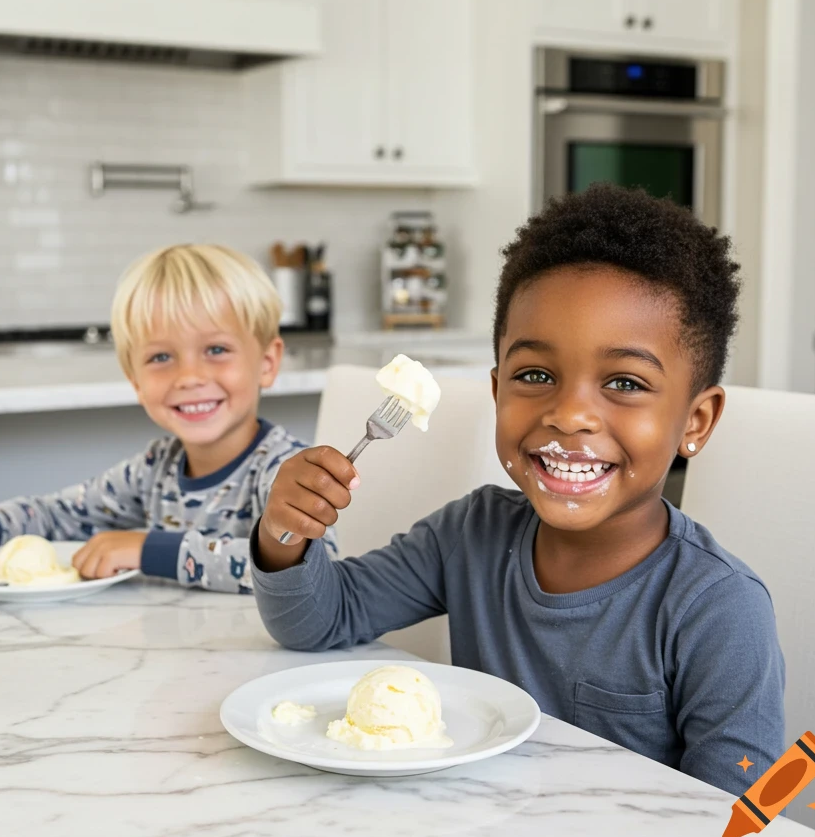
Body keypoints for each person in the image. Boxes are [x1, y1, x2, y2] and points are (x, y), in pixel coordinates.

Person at [251, 184, 784, 796]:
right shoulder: (470, 535)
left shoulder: (720, 608)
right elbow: (317, 621)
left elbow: (753, 817)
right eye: (536, 375)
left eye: (625, 382)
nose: (569, 413)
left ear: (696, 421)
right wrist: (283, 533)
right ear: (498, 388)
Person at [0, 244, 334, 592]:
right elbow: (60, 514)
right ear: (134, 379)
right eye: (161, 357)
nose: (189, 377)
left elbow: (318, 570)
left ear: (266, 362)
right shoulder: (154, 469)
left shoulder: (285, 473)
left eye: (216, 350)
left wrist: (149, 550)